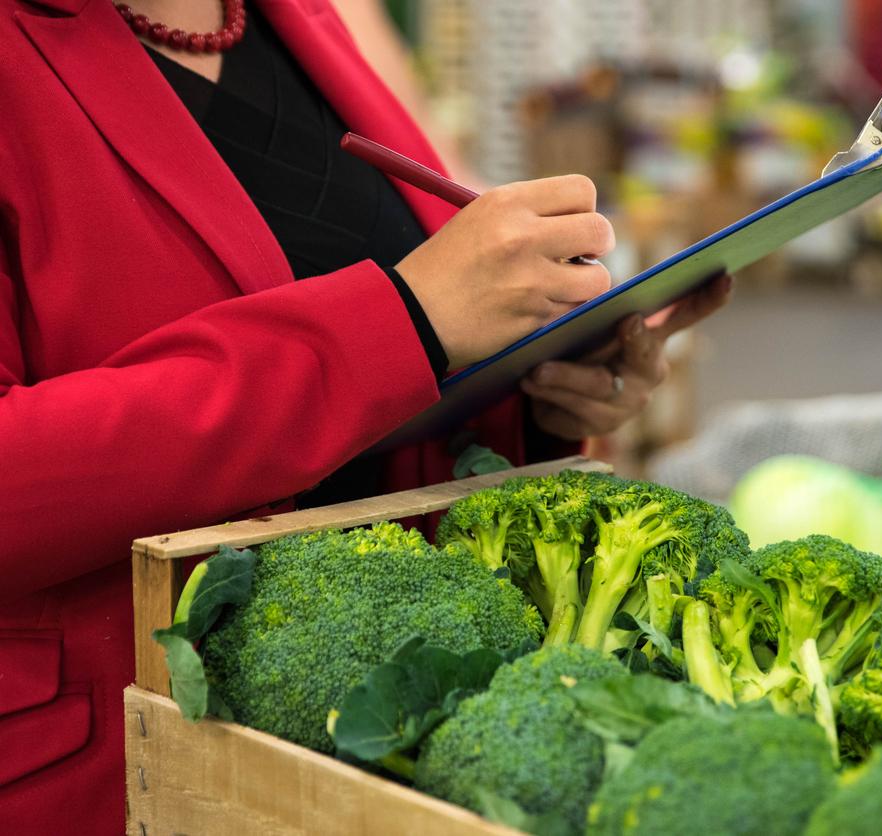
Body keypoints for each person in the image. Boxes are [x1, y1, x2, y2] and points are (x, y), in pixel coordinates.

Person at [0, 0, 731, 831]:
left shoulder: (297, 21)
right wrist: (404, 321)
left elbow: (401, 376)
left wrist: (539, 388)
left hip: (385, 743)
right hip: (111, 767)